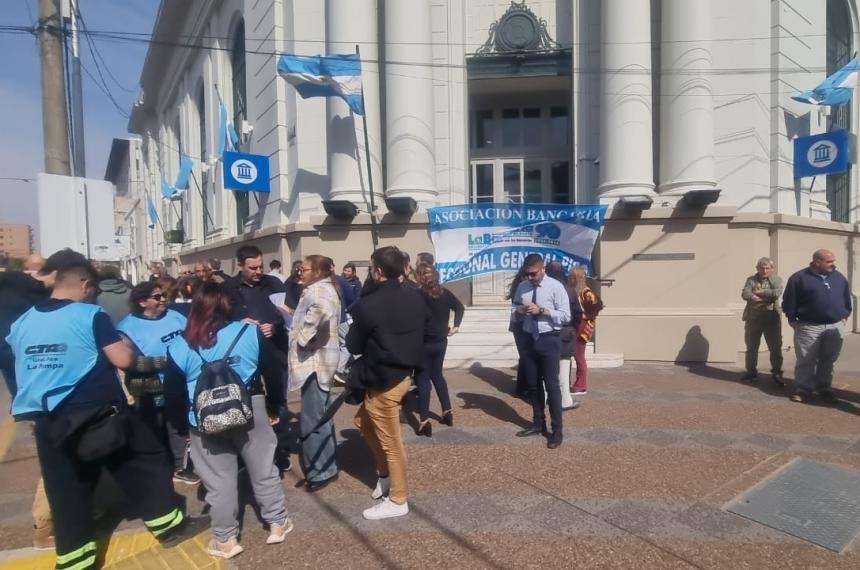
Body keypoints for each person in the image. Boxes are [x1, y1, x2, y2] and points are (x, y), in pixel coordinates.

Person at [6, 263, 196, 569]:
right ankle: (168, 525)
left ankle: (75, 560)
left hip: (47, 418)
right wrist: (131, 354)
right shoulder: (89, 315)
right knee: (143, 465)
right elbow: (121, 359)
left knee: (65, 491)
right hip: (96, 410)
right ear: (84, 285)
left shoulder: (23, 322)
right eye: (92, 289)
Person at [164, 282, 291, 559]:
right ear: (228, 306)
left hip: (201, 416)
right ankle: (277, 523)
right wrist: (274, 405)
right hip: (250, 407)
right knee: (263, 467)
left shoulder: (179, 345)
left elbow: (172, 393)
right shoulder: (249, 332)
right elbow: (274, 372)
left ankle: (226, 539)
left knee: (218, 480)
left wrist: (181, 426)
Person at [346, 246, 429, 520]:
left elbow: (353, 343)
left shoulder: (367, 304)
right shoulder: (416, 296)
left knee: (392, 443)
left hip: (385, 379)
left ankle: (398, 499)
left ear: (378, 271)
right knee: (363, 422)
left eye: (371, 268)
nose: (370, 272)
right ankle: (384, 476)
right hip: (404, 374)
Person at [117, 282, 200, 485]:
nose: (163, 299)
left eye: (163, 295)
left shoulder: (175, 315)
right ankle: (159, 465)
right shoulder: (126, 328)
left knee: (177, 421)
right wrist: (165, 362)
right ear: (142, 302)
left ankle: (181, 466)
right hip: (146, 383)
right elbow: (127, 363)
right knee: (154, 424)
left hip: (179, 380)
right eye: (157, 296)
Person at [224, 245, 291, 470]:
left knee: (277, 400)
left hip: (273, 348)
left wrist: (275, 325)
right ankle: (247, 452)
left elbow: (290, 313)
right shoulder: (228, 288)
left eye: (261, 266)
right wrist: (238, 323)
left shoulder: (274, 284)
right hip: (243, 355)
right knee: (247, 400)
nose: (258, 271)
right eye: (252, 267)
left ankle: (279, 451)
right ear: (241, 266)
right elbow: (218, 319)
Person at [288, 256, 342, 491]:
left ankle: (320, 471)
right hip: (318, 361)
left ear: (317, 271)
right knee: (321, 415)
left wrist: (302, 338)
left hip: (315, 362)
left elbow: (321, 311)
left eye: (305, 269)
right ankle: (326, 466)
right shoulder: (322, 287)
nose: (301, 273)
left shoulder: (320, 291)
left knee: (312, 420)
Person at [511, 254, 571, 449]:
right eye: (526, 274)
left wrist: (543, 311)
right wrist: (520, 311)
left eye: (533, 274)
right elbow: (513, 310)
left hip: (549, 339)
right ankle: (538, 423)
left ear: (542, 268)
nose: (529, 277)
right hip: (529, 338)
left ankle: (557, 430)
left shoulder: (556, 287)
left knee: (552, 386)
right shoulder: (523, 286)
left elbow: (566, 316)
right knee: (533, 385)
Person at [782, 249, 852, 403]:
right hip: (809, 326)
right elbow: (789, 300)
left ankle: (824, 388)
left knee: (828, 359)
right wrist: (792, 318)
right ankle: (803, 389)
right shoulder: (799, 278)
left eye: (833, 261)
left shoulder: (838, 277)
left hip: (835, 326)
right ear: (817, 261)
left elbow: (846, 297)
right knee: (806, 359)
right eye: (829, 261)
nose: (833, 264)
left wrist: (845, 315)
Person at [414, 264, 464, 436]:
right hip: (441, 341)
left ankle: (424, 420)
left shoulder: (417, 295)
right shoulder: (444, 292)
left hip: (423, 342)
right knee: (437, 375)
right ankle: (447, 410)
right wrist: (455, 326)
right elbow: (459, 307)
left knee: (422, 379)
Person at [741, 258, 784, 385]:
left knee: (775, 348)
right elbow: (745, 294)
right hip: (753, 320)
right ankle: (751, 372)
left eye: (767, 268)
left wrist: (760, 293)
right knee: (751, 348)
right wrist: (764, 297)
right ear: (757, 268)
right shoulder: (751, 280)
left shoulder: (776, 279)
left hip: (771, 320)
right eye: (761, 268)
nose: (764, 270)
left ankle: (777, 372)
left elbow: (776, 293)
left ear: (772, 268)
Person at [567, 266, 600, 396]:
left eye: (572, 277)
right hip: (575, 324)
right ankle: (574, 383)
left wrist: (583, 316)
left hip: (582, 326)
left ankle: (581, 385)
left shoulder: (586, 293)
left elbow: (595, 310)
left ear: (578, 278)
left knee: (579, 356)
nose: (569, 279)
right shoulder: (575, 291)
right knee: (572, 354)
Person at [507, 267, 532, 400]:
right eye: (528, 275)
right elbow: (516, 307)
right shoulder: (521, 287)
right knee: (525, 356)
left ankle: (524, 386)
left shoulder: (523, 285)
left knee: (524, 356)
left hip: (522, 326)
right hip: (520, 325)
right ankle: (523, 388)